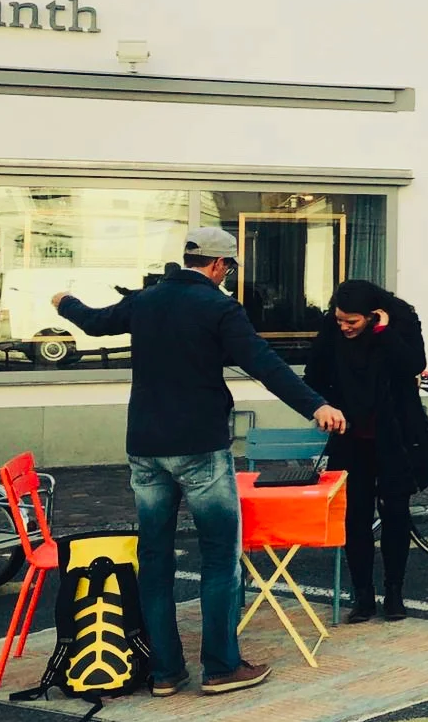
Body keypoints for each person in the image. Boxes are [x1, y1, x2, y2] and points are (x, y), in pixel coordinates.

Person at [52, 227, 345, 697]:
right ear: (219, 265)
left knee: (154, 559)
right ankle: (221, 667)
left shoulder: (146, 301)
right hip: (200, 447)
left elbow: (94, 322)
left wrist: (64, 301)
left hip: (145, 447)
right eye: (228, 269)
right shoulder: (220, 308)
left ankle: (166, 673)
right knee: (219, 558)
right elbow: (265, 364)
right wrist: (316, 406)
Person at [304, 279, 428, 623]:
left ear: (373, 315)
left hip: (396, 436)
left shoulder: (401, 321)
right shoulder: (333, 328)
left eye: (352, 322)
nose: (343, 326)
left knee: (395, 513)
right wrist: (326, 407)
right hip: (351, 437)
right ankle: (362, 596)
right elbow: (312, 374)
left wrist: (384, 333)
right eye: (339, 320)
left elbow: (412, 365)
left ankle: (394, 593)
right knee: (354, 517)